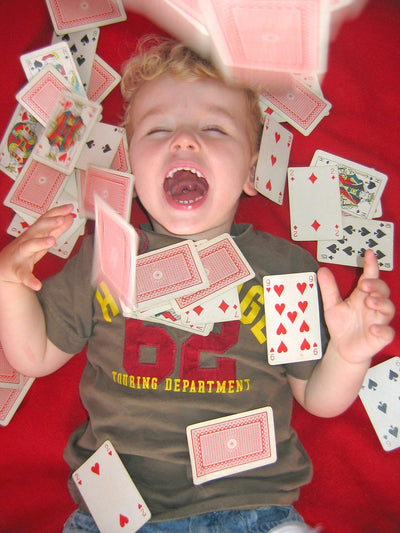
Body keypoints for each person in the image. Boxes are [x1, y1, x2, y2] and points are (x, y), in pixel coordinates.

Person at [0, 38, 394, 533]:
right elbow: (33, 354)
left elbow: (318, 398)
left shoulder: (282, 267)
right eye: (158, 128)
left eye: (214, 128)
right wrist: (9, 286)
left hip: (253, 508)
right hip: (118, 515)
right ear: (130, 166)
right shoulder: (108, 257)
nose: (184, 141)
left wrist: (351, 354)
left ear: (253, 169)